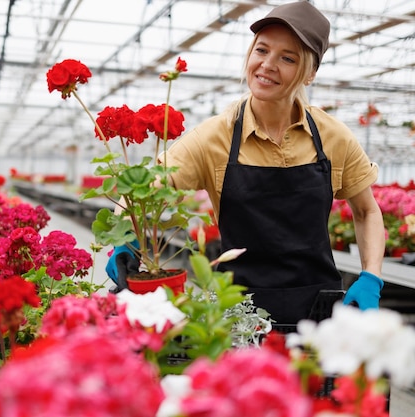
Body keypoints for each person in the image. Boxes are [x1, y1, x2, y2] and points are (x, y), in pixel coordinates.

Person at [108, 1, 386, 325]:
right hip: (237, 313)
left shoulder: (333, 137)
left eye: (287, 58)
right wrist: (124, 239)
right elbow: (144, 187)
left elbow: (367, 211)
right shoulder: (216, 136)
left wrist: (371, 277)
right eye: (262, 50)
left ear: (309, 73)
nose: (267, 65)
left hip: (318, 313)